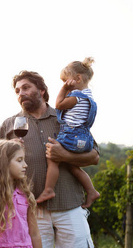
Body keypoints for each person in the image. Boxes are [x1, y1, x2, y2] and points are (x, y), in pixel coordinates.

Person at [0, 71, 99, 248]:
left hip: (70, 207)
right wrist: (9, 156)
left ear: (41, 90)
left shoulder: (67, 117)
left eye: (25, 88)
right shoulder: (9, 125)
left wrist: (65, 156)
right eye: (17, 91)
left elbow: (94, 156)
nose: (21, 93)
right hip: (30, 213)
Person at [36, 57, 100, 207]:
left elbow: (58, 105)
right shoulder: (90, 98)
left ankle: (49, 189)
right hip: (84, 138)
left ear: (77, 78)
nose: (64, 86)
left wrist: (64, 90)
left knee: (53, 156)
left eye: (66, 81)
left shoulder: (76, 96)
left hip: (72, 136)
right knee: (72, 166)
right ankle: (91, 191)